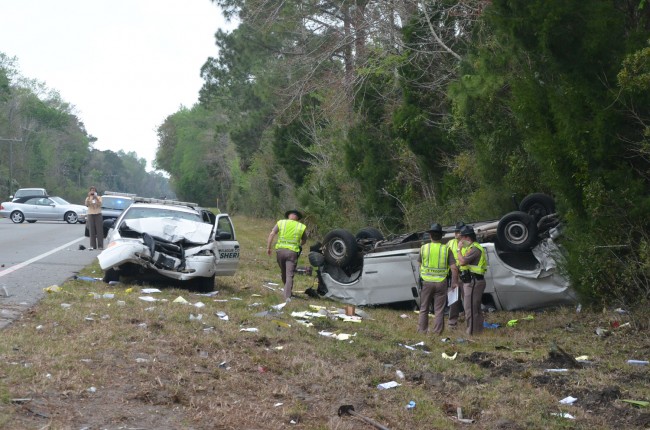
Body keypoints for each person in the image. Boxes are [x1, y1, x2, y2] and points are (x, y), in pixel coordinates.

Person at [417, 223, 456, 335]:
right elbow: (454, 268)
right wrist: (454, 283)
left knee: (424, 308)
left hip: (426, 282)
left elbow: (419, 264)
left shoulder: (424, 248)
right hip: (441, 283)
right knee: (439, 310)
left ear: (430, 236)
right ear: (441, 236)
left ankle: (422, 331)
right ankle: (437, 332)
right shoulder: (446, 249)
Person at [267, 209, 307, 300]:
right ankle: (287, 295)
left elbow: (271, 234)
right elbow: (304, 240)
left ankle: (287, 291)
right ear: (297, 218)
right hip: (292, 252)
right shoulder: (301, 226)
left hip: (280, 251)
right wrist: (299, 245)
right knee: (290, 274)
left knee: (283, 272)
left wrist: (268, 248)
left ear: (288, 215)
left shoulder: (281, 223)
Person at [456, 225, 488, 335]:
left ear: (467, 238)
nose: (460, 240)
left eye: (461, 238)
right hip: (472, 281)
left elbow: (462, 262)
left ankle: (472, 333)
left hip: (473, 281)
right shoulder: (472, 248)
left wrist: (458, 249)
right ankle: (478, 331)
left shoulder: (474, 249)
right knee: (475, 308)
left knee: (470, 309)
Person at [447, 221, 465, 328]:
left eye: (459, 231)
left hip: (465, 274)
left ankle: (470, 322)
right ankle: (452, 323)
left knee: (467, 300)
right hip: (454, 274)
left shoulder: (467, 243)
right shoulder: (450, 243)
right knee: (453, 300)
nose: (457, 234)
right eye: (456, 231)